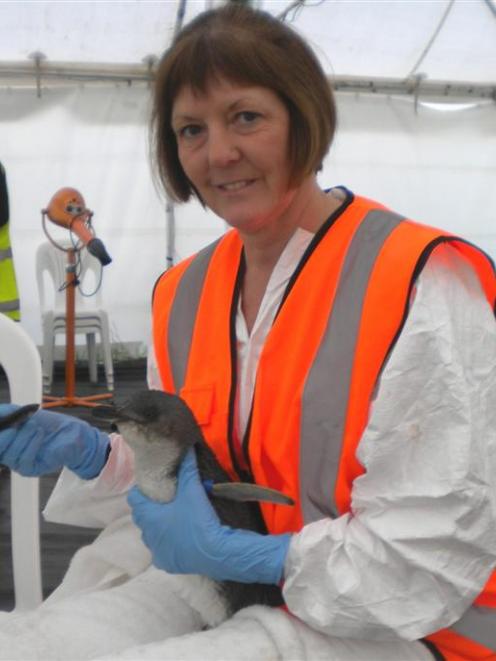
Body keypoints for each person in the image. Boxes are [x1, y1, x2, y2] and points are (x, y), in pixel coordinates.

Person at [1, 5, 496, 660]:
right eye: (190, 130)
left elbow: (429, 547)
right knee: (37, 645)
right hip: (227, 583)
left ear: (303, 116)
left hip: (398, 620)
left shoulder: (418, 282)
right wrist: (101, 453)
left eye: (246, 117)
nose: (219, 153)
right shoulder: (182, 294)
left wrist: (256, 553)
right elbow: (196, 475)